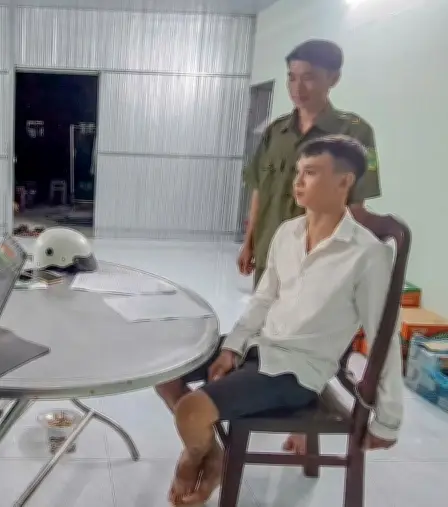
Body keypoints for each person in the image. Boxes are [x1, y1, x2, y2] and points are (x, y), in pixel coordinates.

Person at [163, 135, 403, 505]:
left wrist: (388, 419)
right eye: (298, 172)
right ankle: (212, 452)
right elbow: (263, 300)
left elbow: (383, 338)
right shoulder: (288, 232)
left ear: (345, 181)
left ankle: (197, 459)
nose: (298, 181)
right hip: (259, 346)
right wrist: (231, 348)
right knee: (165, 367)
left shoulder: (367, 255)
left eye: (311, 172)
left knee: (190, 412)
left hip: (298, 369)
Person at [238, 39, 381, 287]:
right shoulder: (275, 132)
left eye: (309, 77)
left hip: (317, 261)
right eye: (292, 78)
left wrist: (346, 262)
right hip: (269, 253)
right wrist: (249, 242)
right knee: (265, 311)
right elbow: (259, 190)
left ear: (333, 79)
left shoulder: (355, 132)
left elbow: (356, 205)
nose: (297, 88)